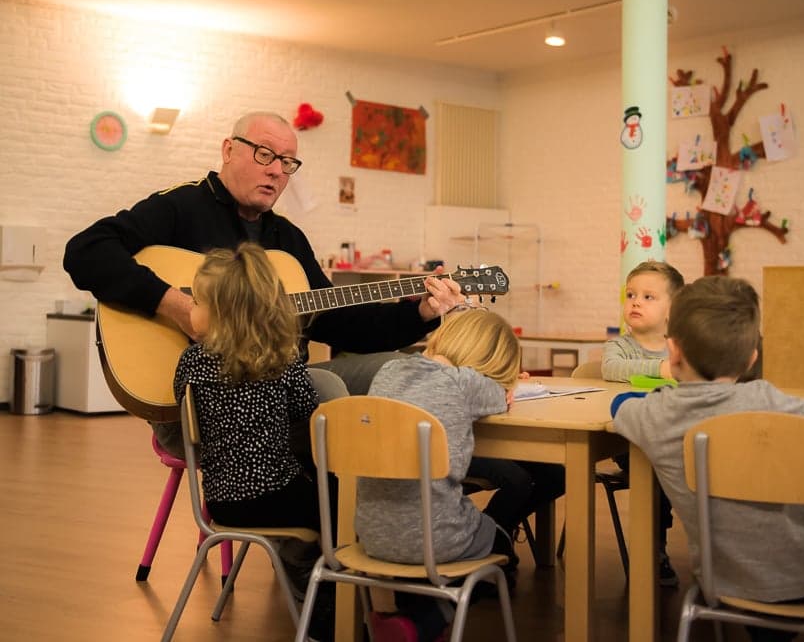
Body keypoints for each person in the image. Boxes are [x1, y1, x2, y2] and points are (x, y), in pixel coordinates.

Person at [63, 111, 463, 457]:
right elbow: (86, 251)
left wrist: (422, 312)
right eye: (265, 154)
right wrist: (181, 308)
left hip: (283, 390)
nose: (276, 170)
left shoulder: (287, 239)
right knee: (329, 397)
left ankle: (384, 517)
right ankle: (316, 535)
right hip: (196, 407)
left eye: (288, 163)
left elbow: (341, 322)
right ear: (228, 150)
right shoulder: (179, 208)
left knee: (406, 369)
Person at [611, 276, 804, 642]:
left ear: (673, 352)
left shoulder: (656, 415)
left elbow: (619, 407)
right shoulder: (767, 401)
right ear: (751, 358)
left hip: (726, 580)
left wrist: (649, 396)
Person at [172, 243, 333, 641]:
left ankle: (303, 573)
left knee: (318, 501)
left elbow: (181, 401)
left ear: (223, 312)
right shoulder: (280, 357)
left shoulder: (191, 363)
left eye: (197, 301)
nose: (189, 308)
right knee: (341, 499)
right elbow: (309, 409)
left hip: (221, 501)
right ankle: (329, 618)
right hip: (274, 495)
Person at [357, 307, 523, 642]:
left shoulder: (388, 371)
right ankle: (428, 622)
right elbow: (500, 397)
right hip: (438, 540)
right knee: (501, 548)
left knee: (422, 520)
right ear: (489, 362)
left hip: (369, 536)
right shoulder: (466, 382)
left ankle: (407, 619)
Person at [601, 260, 685, 586]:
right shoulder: (619, 346)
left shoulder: (681, 347)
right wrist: (660, 370)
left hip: (676, 438)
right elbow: (611, 369)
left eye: (649, 297)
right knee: (656, 470)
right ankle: (654, 549)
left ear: (671, 309)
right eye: (631, 294)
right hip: (628, 440)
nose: (636, 301)